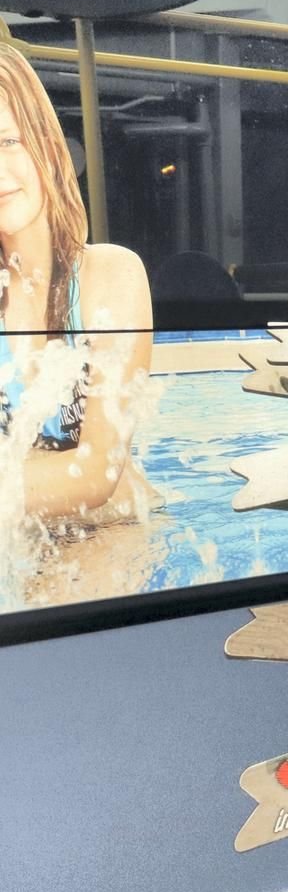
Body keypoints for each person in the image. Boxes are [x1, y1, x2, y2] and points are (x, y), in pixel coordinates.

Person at [0, 44, 154, 531]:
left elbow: (95, 475)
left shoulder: (110, 277)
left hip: (112, 532)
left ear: (46, 146)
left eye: (7, 141)